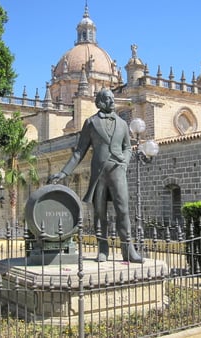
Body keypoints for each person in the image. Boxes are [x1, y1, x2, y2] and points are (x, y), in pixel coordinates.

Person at [48, 88, 144, 263]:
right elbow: (79, 152)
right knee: (100, 213)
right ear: (99, 102)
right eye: (108, 99)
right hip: (98, 174)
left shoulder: (123, 124)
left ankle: (128, 250)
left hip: (117, 172)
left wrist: (124, 163)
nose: (112, 101)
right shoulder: (91, 123)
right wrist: (63, 172)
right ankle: (103, 249)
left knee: (123, 210)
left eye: (113, 98)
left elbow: (128, 148)